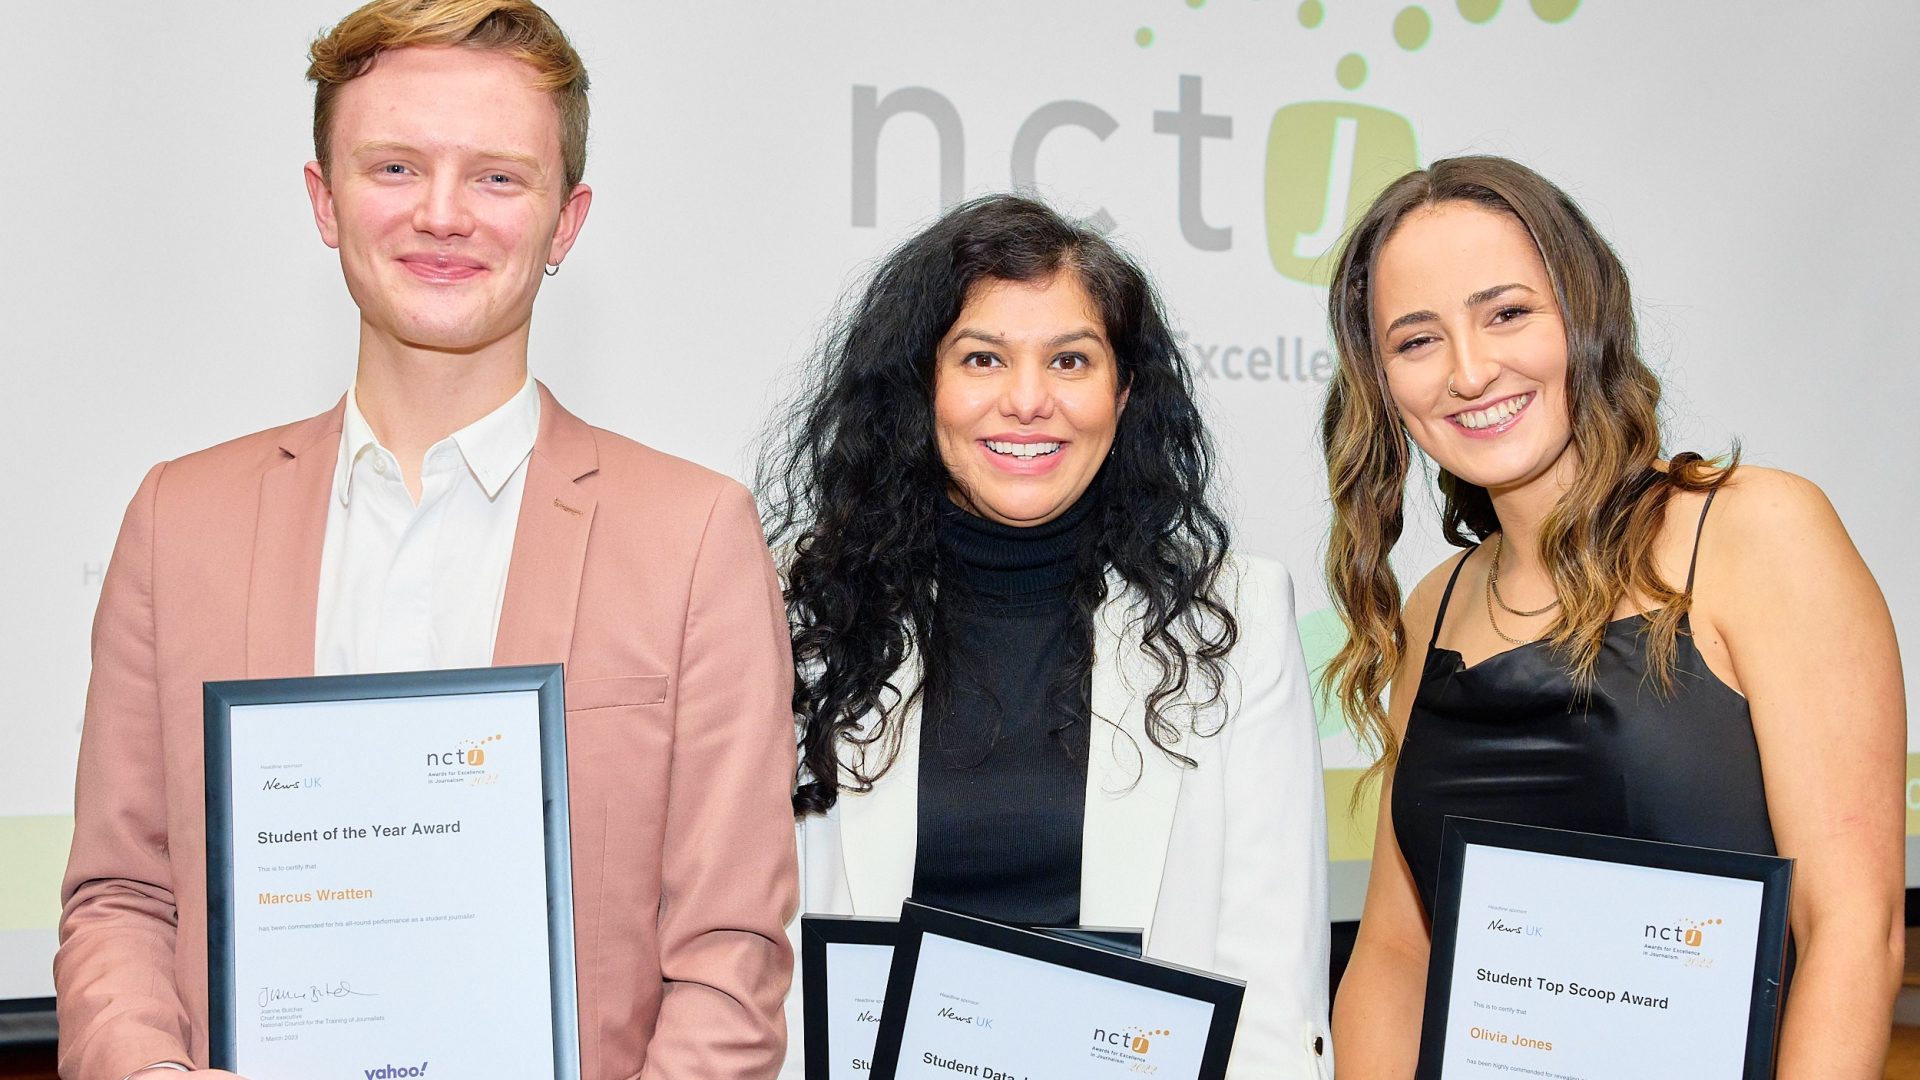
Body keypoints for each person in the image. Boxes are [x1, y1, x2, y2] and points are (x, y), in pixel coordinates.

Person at [54, 3, 798, 1078]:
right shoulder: (178, 522)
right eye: (395, 167)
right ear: (324, 200)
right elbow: (122, 895)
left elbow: (727, 957)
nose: (443, 215)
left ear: (566, 221)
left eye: (498, 177)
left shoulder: (693, 539)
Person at [1321, 156, 1905, 1076]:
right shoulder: (1435, 607)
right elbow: (1396, 960)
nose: (1471, 372)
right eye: (1417, 340)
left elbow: (1851, 931)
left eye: (1507, 313)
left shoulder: (1756, 532)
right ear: (1380, 381)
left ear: (1585, 314)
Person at [758, 194, 1331, 1078]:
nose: (1028, 402)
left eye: (1071, 359)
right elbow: (768, 962)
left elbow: (1270, 977)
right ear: (922, 386)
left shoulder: (1238, 620)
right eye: (981, 358)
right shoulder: (802, 614)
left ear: (1123, 390)